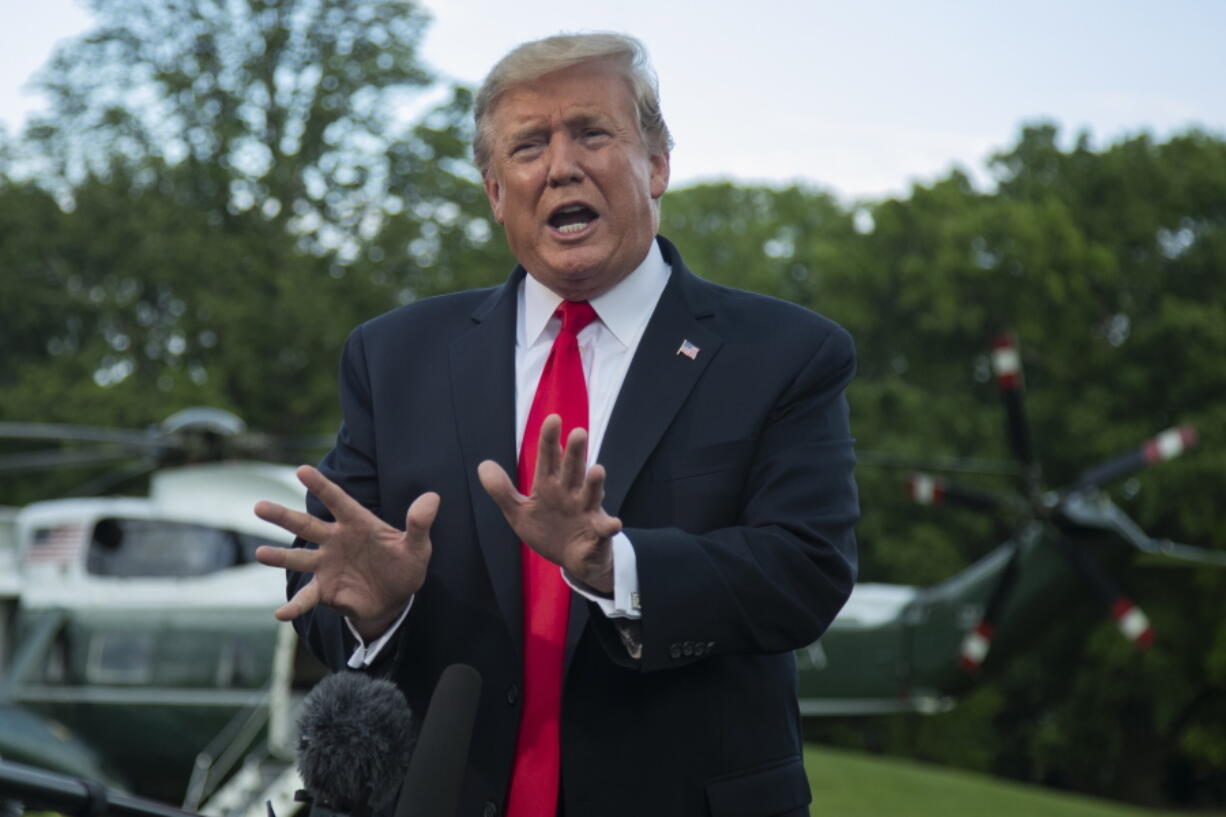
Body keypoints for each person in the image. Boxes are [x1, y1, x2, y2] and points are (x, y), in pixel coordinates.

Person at [255, 32, 858, 817]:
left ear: (658, 163)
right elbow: (333, 570)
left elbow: (805, 570)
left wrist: (619, 568)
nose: (562, 165)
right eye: (530, 145)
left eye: (592, 132)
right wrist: (377, 607)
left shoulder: (784, 353)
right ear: (497, 192)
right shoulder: (392, 355)